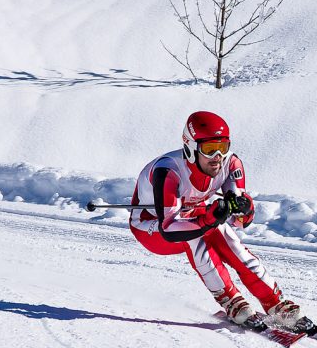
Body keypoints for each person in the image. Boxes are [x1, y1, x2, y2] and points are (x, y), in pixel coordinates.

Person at [129, 111, 301, 328]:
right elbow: (169, 228)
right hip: (150, 225)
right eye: (210, 149)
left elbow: (240, 222)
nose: (218, 156)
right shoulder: (169, 171)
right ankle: (231, 300)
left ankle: (275, 302)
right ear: (191, 148)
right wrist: (207, 221)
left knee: (224, 234)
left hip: (190, 214)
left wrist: (244, 209)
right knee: (196, 236)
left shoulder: (231, 164)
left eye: (223, 147)